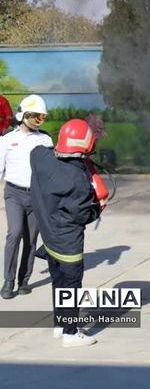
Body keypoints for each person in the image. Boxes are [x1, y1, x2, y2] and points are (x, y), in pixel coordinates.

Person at [30, 119, 102, 347]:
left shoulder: (39, 158)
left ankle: (60, 325)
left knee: (58, 282)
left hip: (49, 236)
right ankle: (71, 334)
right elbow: (82, 216)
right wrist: (99, 207)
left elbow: (43, 150)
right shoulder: (77, 180)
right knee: (71, 287)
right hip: (68, 243)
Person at [0, 94, 53, 299]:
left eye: (42, 118)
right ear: (23, 115)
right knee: (14, 234)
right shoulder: (7, 140)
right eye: (35, 117)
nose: (38, 122)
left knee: (31, 240)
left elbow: (51, 171)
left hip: (37, 196)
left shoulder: (45, 140)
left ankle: (24, 281)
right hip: (13, 193)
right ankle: (8, 280)